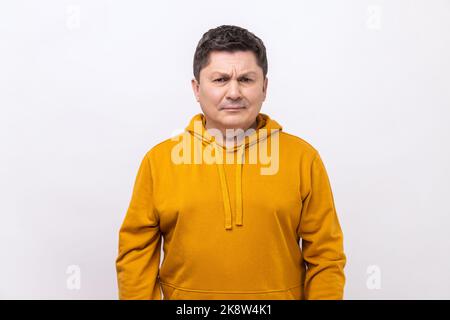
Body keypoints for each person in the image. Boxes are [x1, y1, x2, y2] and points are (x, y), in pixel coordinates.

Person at [115, 25, 346, 300]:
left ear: (265, 87)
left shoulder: (303, 158)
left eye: (246, 79)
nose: (234, 92)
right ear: (197, 89)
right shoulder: (159, 161)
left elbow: (326, 257)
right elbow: (135, 258)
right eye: (220, 79)